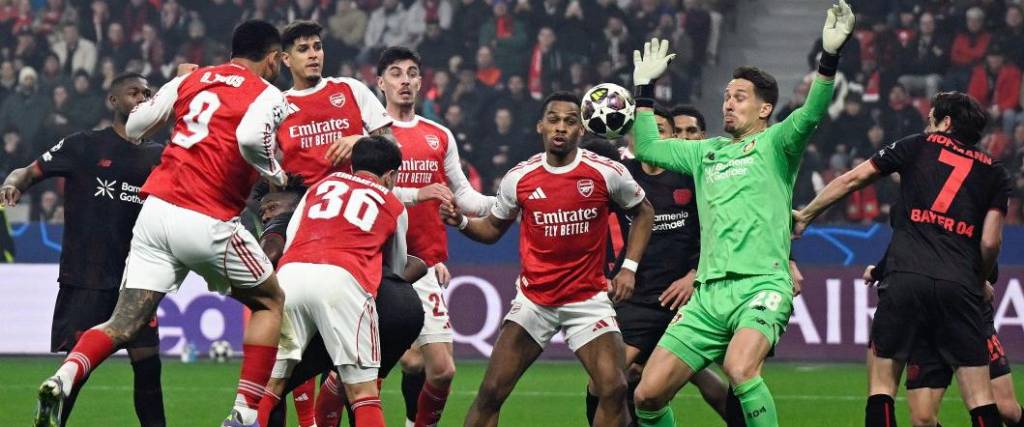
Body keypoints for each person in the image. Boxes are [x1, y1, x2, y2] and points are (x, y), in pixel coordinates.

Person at [33, 20, 290, 427]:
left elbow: (135, 125)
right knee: (271, 302)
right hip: (207, 217)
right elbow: (248, 138)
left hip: (156, 214)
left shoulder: (192, 79)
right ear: (274, 58)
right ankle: (243, 414)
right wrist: (274, 171)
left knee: (123, 321)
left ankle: (65, 377)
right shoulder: (270, 93)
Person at [626, 2, 853, 425]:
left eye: (740, 97)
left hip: (761, 285)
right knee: (647, 395)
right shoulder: (706, 152)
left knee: (741, 369)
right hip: (708, 296)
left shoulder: (778, 144)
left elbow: (812, 113)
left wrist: (829, 59)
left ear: (765, 109)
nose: (728, 104)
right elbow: (651, 148)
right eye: (726, 96)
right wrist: (643, 88)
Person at [792, 91, 1010, 427]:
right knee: (981, 400)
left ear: (946, 123)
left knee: (881, 388)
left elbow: (853, 178)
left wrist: (807, 214)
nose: (926, 125)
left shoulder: (917, 146)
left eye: (931, 118)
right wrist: (979, 278)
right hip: (960, 286)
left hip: (905, 279)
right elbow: (991, 241)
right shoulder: (994, 173)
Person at [446, 91, 656, 427]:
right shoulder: (520, 178)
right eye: (554, 120)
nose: (561, 127)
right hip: (535, 301)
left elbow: (644, 213)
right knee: (491, 392)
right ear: (541, 126)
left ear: (581, 130)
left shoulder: (606, 172)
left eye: (570, 121)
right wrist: (460, 222)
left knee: (614, 387)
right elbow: (491, 231)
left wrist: (629, 268)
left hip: (587, 299)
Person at [2, 73, 165, 427]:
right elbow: (28, 171)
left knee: (149, 371)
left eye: (148, 93)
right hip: (86, 275)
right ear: (113, 101)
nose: (142, 98)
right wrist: (12, 183)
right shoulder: (83, 145)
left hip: (135, 280)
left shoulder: (161, 156)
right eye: (133, 92)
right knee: (75, 375)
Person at [586, 105, 731, 426]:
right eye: (643, 132)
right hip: (640, 297)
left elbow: (722, 231)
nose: (653, 138)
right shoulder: (625, 177)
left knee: (726, 379)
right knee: (610, 381)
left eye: (661, 131)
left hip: (690, 298)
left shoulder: (695, 178)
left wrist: (694, 275)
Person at [375, 46, 495, 427]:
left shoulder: (438, 135)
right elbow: (365, 192)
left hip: (424, 264)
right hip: (375, 265)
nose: (405, 80)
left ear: (421, 81)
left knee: (440, 370)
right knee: (367, 371)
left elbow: (464, 196)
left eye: (411, 72)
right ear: (380, 83)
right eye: (395, 73)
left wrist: (509, 200)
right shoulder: (371, 135)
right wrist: (418, 193)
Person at [258, 136, 411, 427]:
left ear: (353, 164)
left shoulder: (319, 187)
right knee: (362, 394)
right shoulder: (392, 203)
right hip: (343, 282)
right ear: (390, 175)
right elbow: (397, 269)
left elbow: (292, 236)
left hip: (291, 277)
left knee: (269, 387)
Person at [276, 20, 394, 188]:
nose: (313, 55)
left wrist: (362, 141)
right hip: (303, 206)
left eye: (317, 47)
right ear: (286, 59)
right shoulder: (276, 105)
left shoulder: (350, 88)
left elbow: (392, 144)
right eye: (303, 49)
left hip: (356, 199)